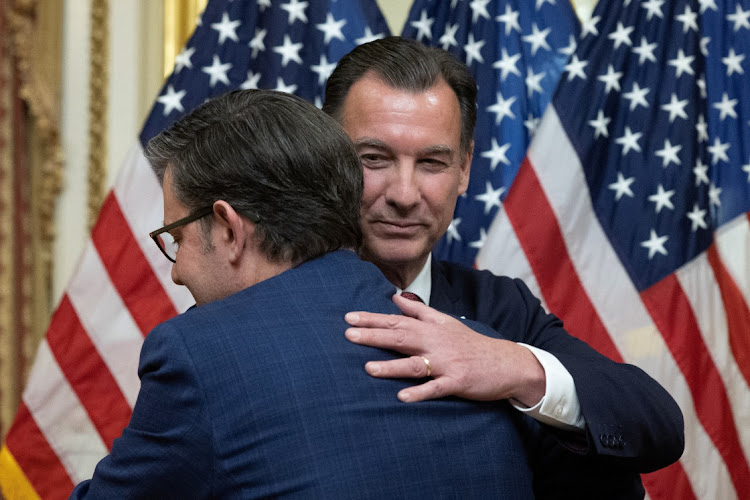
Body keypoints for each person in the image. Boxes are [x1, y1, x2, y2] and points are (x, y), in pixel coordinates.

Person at [69, 89, 536, 498]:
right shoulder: (478, 354)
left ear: (229, 228)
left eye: (177, 238)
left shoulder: (201, 356)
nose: (177, 273)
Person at [323, 37, 684, 497]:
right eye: (374, 159)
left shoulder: (499, 306)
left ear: (465, 169)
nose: (405, 194)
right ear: (329, 160)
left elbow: (656, 425)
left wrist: (514, 366)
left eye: (432, 162)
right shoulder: (272, 306)